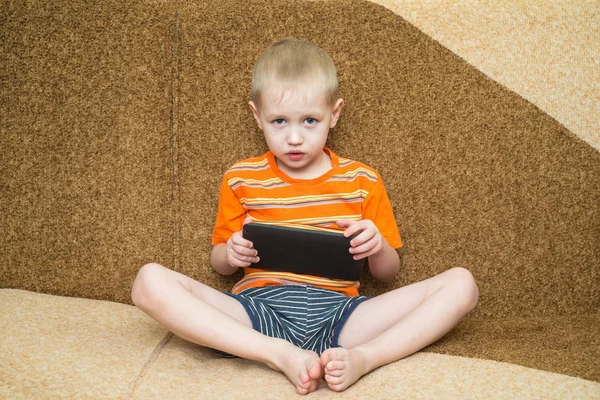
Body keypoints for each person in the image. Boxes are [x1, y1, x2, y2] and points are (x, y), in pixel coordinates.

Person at [131, 37, 479, 395]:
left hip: (342, 318)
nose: (294, 138)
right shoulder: (240, 178)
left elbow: (387, 274)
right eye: (279, 121)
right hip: (257, 314)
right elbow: (220, 265)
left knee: (461, 284)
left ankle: (365, 358)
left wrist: (376, 247)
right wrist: (230, 252)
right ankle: (279, 354)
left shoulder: (363, 180)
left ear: (335, 114)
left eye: (310, 120)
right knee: (148, 281)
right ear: (257, 116)